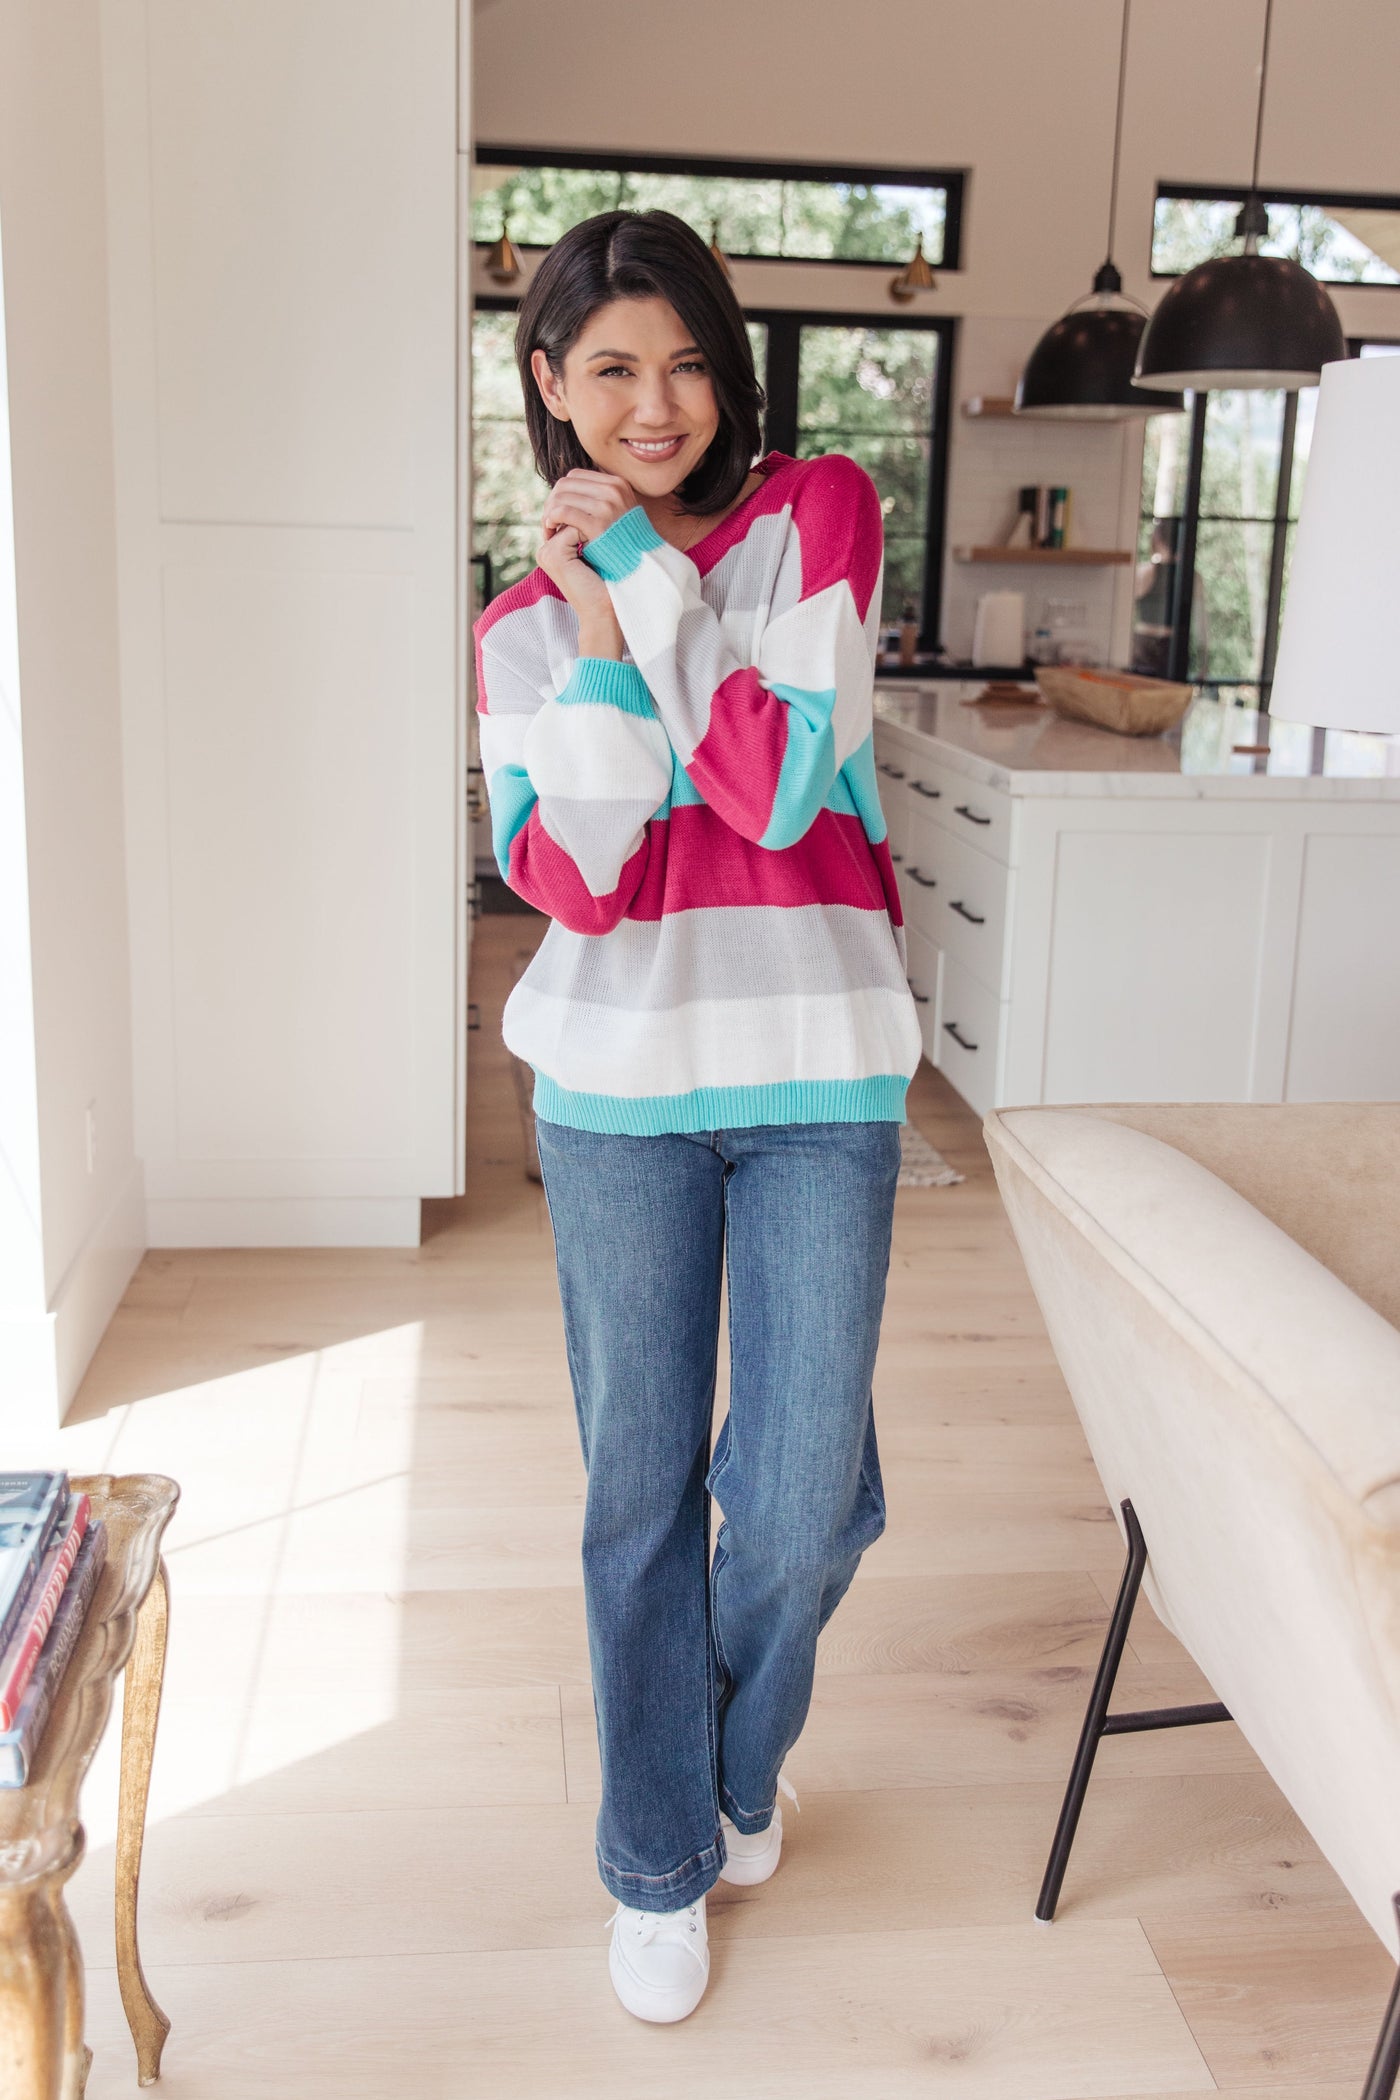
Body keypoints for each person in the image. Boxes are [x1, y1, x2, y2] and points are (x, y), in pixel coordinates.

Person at [472, 209, 921, 2024]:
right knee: (639, 1493)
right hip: (614, 1094)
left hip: (820, 1073)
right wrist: (593, 628)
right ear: (548, 382)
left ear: (728, 372)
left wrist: (645, 575)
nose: (652, 405)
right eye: (609, 369)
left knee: (803, 1507)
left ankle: (737, 1759)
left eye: (683, 365)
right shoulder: (518, 628)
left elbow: (778, 776)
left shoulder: (818, 516)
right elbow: (582, 877)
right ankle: (659, 1854)